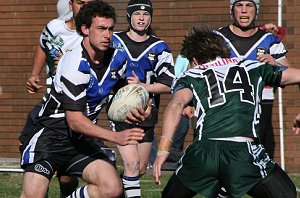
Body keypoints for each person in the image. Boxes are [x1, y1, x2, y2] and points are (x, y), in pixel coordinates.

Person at [19, 1, 150, 198]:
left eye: (111, 29)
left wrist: (140, 106)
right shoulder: (74, 65)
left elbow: (122, 94)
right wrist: (116, 137)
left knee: (112, 187)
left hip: (80, 141)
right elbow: (75, 121)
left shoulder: (118, 58)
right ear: (85, 29)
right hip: (49, 137)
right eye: (101, 29)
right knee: (33, 195)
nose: (107, 35)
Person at [152, 24, 298, 198]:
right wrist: (275, 65)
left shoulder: (193, 74)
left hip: (204, 152)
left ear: (195, 60)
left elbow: (175, 105)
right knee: (286, 194)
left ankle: (223, 186)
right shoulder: (253, 67)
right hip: (243, 150)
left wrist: (162, 151)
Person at [20, 0, 89, 197]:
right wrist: (34, 74)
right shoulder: (54, 28)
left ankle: (67, 191)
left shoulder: (96, 36)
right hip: (48, 108)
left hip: (75, 111)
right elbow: (43, 46)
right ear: (71, 4)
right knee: (35, 166)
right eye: (80, 2)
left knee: (66, 177)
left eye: (89, 3)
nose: (84, 7)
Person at [109, 0, 175, 197]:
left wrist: (142, 87)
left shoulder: (160, 47)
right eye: (137, 13)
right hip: (121, 112)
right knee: (131, 163)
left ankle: (109, 189)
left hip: (147, 113)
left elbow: (167, 84)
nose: (141, 18)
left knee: (139, 169)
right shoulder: (114, 41)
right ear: (129, 16)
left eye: (146, 15)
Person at [216, 0, 291, 159]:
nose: (244, 10)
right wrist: (189, 103)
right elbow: (195, 69)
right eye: (239, 5)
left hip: (260, 102)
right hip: (225, 104)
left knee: (255, 152)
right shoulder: (217, 38)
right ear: (232, 10)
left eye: (249, 5)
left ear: (256, 10)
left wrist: (275, 64)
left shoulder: (270, 41)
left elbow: (289, 73)